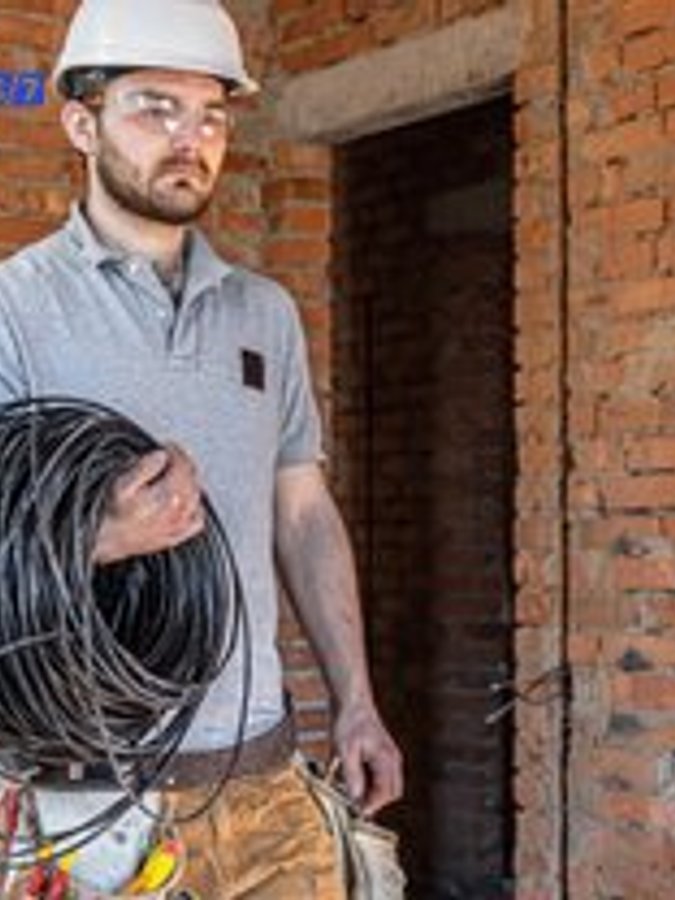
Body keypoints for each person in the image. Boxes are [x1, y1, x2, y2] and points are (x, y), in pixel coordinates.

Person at [0, 0, 403, 896]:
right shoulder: (15, 306)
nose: (190, 139)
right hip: (89, 807)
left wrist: (357, 703)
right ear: (81, 124)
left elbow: (303, 515)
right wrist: (95, 537)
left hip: (264, 782)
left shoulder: (265, 314)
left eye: (211, 114)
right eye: (155, 108)